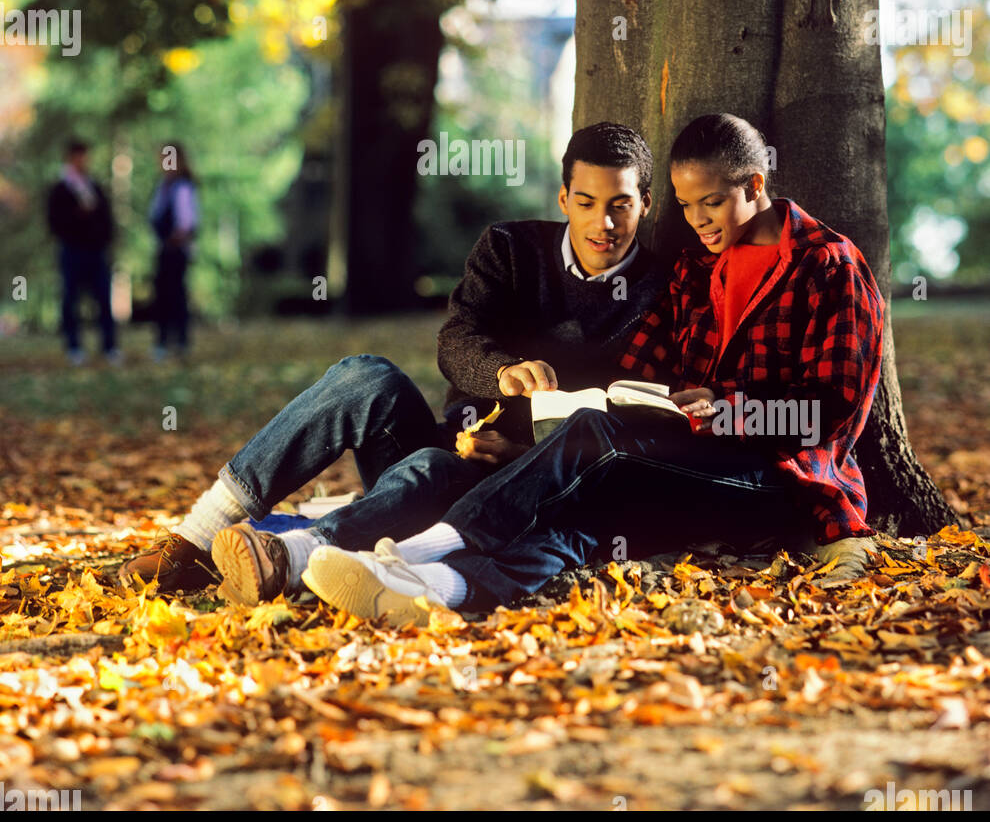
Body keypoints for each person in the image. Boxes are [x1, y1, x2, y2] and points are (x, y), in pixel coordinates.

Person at [298, 113, 886, 624]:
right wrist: (538, 431)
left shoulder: (828, 266)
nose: (699, 220)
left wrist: (723, 406)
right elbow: (630, 377)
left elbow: (827, 414)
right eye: (686, 206)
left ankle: (410, 553)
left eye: (711, 203)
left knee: (597, 444)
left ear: (755, 185)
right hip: (684, 469)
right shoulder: (695, 272)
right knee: (586, 509)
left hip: (777, 480)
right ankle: (437, 590)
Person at [118, 122, 669, 595]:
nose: (605, 225)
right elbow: (456, 339)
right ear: (564, 198)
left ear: (645, 203)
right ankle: (189, 542)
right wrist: (501, 372)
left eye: (621, 205)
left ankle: (287, 558)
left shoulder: (667, 288)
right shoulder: (511, 247)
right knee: (366, 375)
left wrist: (520, 453)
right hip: (450, 440)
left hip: (519, 491)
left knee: (432, 469)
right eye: (588, 203)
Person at [47, 138, 119, 364]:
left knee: (103, 299)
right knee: (71, 299)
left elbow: (107, 219)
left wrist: (105, 239)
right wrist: (78, 216)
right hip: (73, 251)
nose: (83, 161)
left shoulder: (93, 186)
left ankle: (109, 347)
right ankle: (74, 347)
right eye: (79, 156)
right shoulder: (61, 189)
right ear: (70, 158)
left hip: (96, 251)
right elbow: (55, 222)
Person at [149, 144, 199, 358]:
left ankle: (179, 341)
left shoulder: (182, 187)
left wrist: (176, 239)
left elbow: (188, 222)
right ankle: (165, 341)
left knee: (175, 295)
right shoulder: (164, 187)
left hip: (175, 251)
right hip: (165, 248)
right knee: (163, 296)